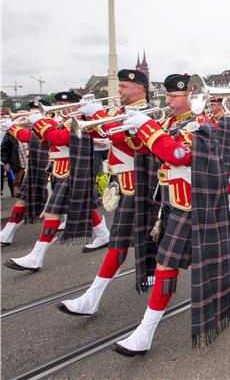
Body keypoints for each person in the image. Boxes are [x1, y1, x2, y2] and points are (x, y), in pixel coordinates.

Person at [107, 73, 230, 356]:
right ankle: (225, 295)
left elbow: (178, 154)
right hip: (169, 202)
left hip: (193, 203)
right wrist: (133, 130)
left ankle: (145, 332)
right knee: (191, 261)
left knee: (165, 264)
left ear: (191, 96)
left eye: (175, 97)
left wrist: (148, 128)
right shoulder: (168, 122)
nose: (169, 102)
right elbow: (144, 149)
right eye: (167, 96)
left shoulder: (201, 125)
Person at [56, 69, 159, 315]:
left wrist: (100, 116)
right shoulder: (119, 112)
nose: (119, 90)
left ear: (140, 88)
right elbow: (99, 132)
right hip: (123, 182)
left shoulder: (146, 112)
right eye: (120, 86)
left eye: (124, 86)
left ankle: (92, 298)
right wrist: (86, 115)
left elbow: (128, 139)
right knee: (133, 241)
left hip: (138, 184)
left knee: (120, 243)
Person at [4, 92, 108, 272]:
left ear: (77, 105)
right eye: (59, 103)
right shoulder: (61, 120)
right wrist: (24, 125)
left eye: (65, 104)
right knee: (85, 205)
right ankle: (103, 234)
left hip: (73, 168)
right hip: (61, 168)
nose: (61, 107)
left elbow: (60, 139)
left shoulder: (79, 121)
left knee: (52, 211)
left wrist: (39, 122)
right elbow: (42, 140)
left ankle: (36, 256)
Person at [0, 99, 51, 246]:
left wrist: (13, 127)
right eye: (33, 109)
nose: (34, 112)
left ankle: (101, 232)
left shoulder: (53, 121)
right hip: (36, 165)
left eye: (37, 109)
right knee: (23, 197)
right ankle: (7, 232)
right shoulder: (39, 123)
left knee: (68, 203)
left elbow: (34, 138)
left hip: (53, 166)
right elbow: (29, 137)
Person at [208, 98, 230, 212]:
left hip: (222, 154)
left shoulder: (224, 119)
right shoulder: (216, 118)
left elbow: (223, 141)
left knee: (222, 180)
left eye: (213, 105)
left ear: (220, 105)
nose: (210, 108)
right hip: (217, 153)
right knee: (222, 180)